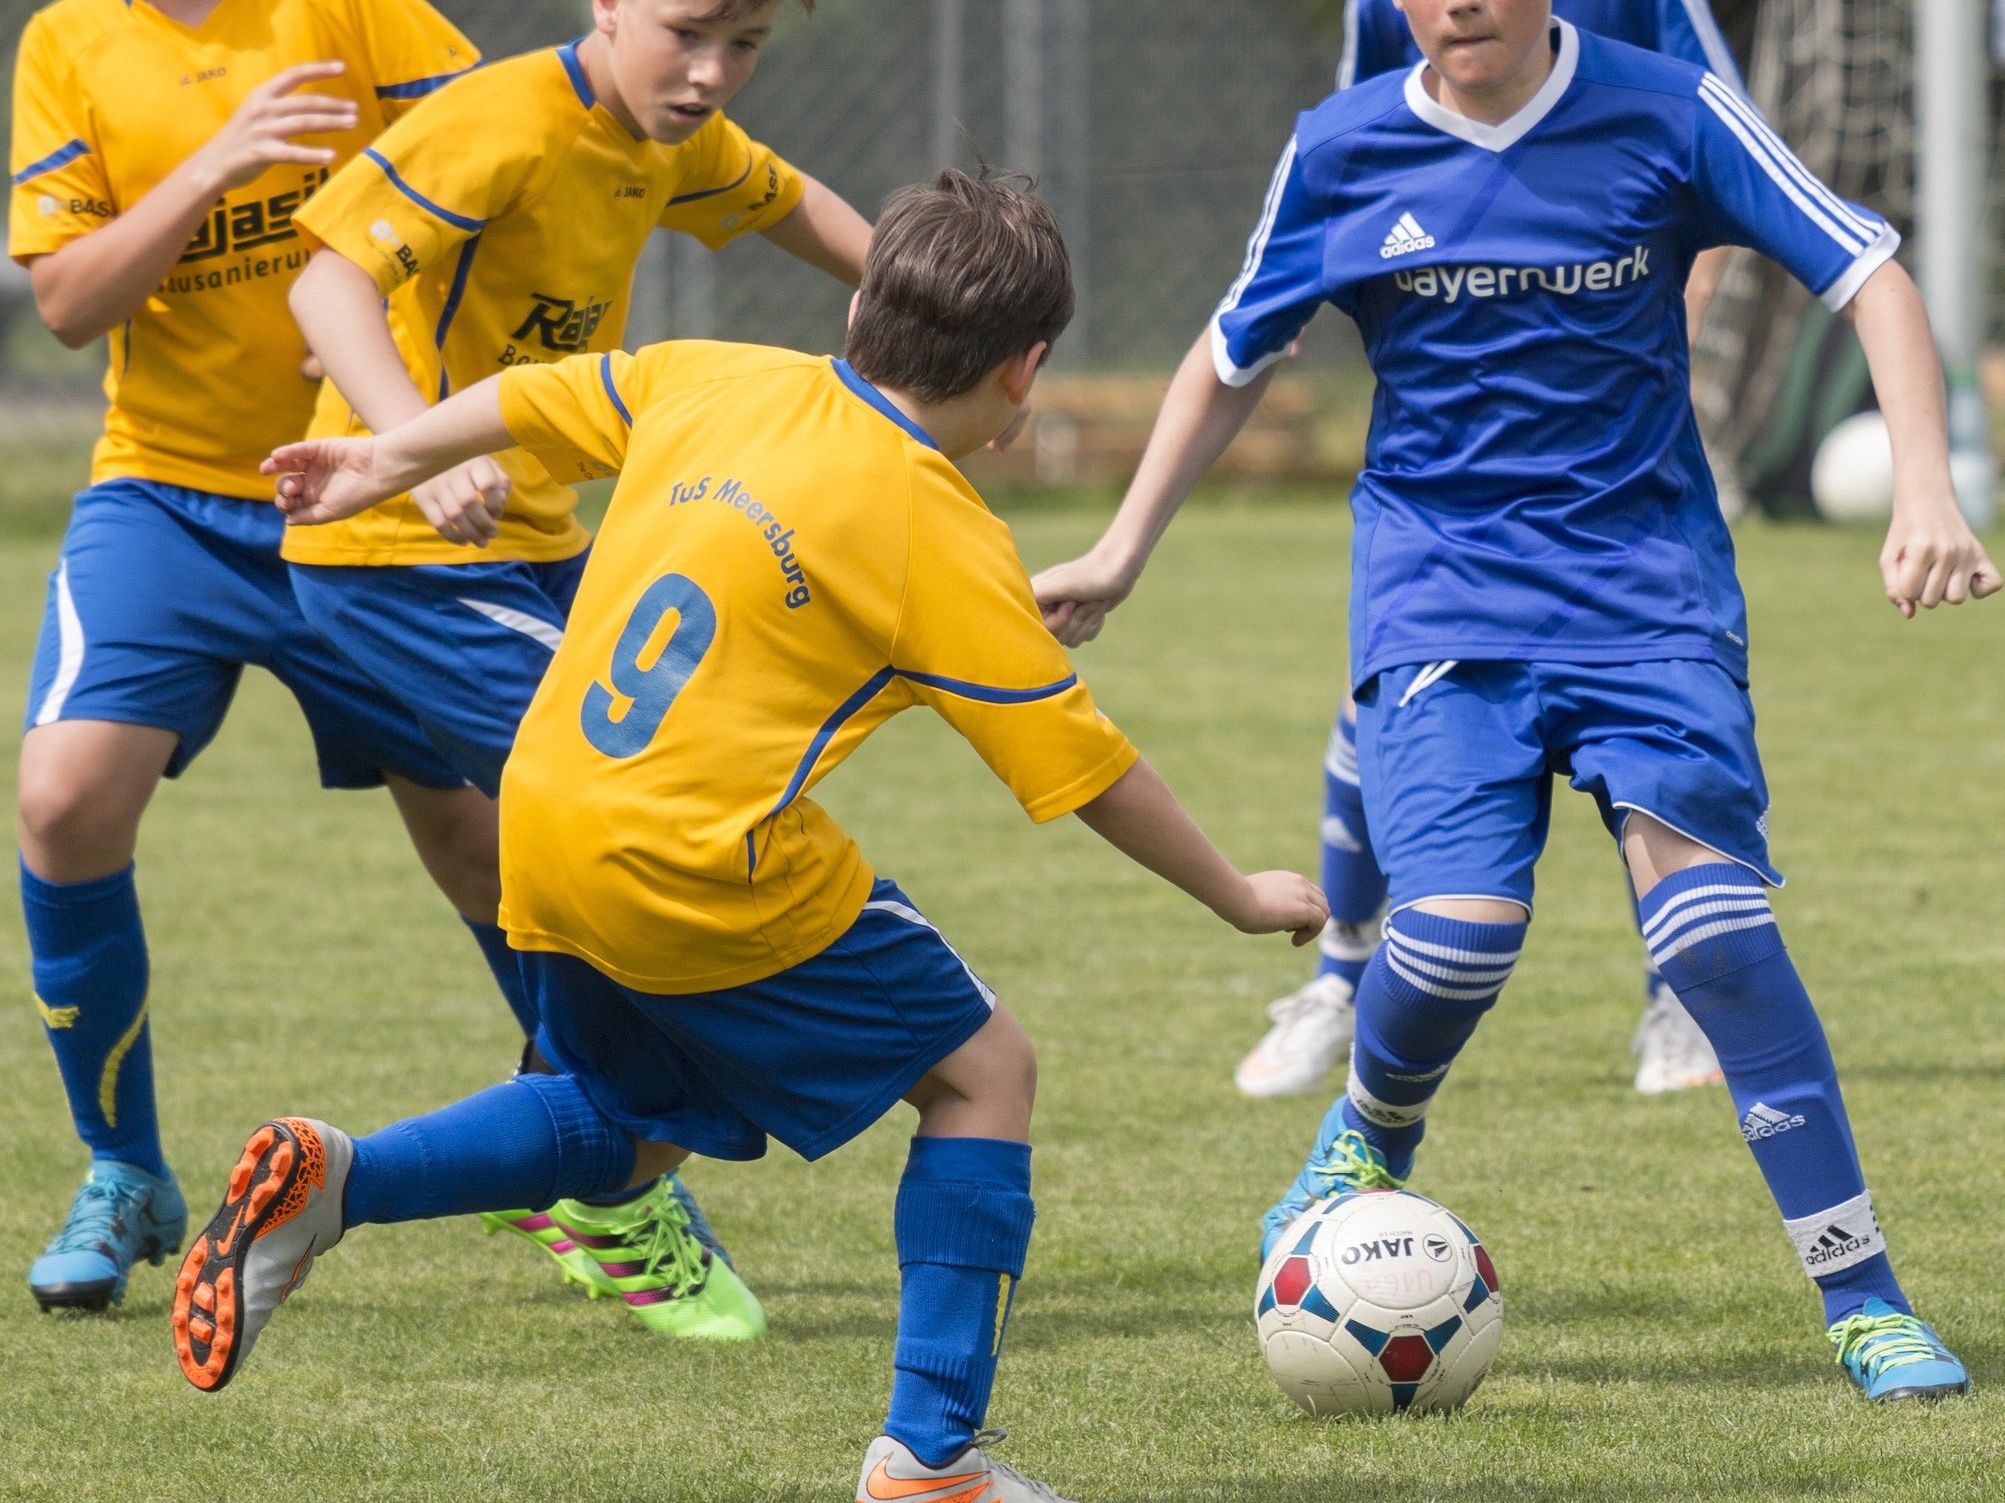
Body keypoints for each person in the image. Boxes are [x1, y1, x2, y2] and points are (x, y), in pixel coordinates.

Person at [169, 170, 1328, 1499]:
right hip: (697, 856)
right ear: (1026, 372)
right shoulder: (935, 524)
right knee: (982, 1072)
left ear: (857, 308)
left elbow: (539, 399)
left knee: (624, 1122)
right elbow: (1084, 767)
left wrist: (385, 454)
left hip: (547, 811)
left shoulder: (726, 377)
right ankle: (932, 1458)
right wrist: (1236, 892)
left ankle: (335, 1183)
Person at [1033, 0, 1993, 1401]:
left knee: (1719, 939)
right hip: (1442, 595)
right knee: (1459, 935)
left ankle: (1863, 1295)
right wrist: (1120, 549)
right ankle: (1372, 1125)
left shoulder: (1666, 108)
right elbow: (1233, 350)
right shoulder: (1339, 148)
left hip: (1644, 593)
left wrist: (1925, 481)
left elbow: (1870, 277)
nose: (1459, 3)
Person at [276, 0, 873, 1330]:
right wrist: (411, 445)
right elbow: (324, 278)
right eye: (686, 32)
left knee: (533, 855)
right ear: (606, 4)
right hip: (396, 551)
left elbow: (793, 202)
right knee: (631, 800)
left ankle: (559, 1144)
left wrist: (937, 314)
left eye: (749, 44)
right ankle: (600, 1174)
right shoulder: (501, 117)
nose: (713, 72)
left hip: (534, 544)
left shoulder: (675, 129)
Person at [7, 0, 507, 1314]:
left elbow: (506, 163)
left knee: (484, 838)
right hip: (166, 497)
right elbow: (65, 302)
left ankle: (605, 1156)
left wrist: (394, 324)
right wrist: (213, 163)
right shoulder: (71, 41)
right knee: (61, 801)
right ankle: (125, 1171)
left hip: (362, 491)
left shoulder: (356, 12)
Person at [1236, 0, 1750, 1104]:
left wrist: (1661, 306)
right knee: (1381, 694)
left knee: (1658, 730)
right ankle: (1342, 976)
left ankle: (1680, 992)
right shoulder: (1393, 16)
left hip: (1609, 426)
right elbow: (1369, 142)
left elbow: (1719, 143)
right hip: (1449, 478)